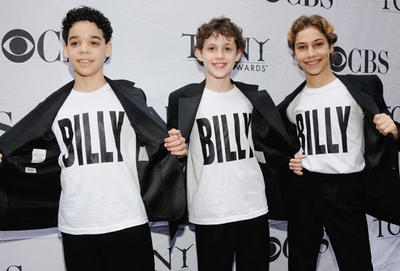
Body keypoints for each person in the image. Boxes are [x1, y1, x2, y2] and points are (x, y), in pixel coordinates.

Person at [0, 6, 186, 271]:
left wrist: (177, 146)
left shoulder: (130, 100)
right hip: (76, 227)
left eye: (94, 42)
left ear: (107, 49)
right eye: (75, 42)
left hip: (128, 221)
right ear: (65, 49)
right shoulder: (53, 107)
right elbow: (21, 149)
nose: (84, 49)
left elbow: (160, 143)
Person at [166, 16, 299, 271]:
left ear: (238, 54)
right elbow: (175, 154)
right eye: (212, 48)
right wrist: (177, 151)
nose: (220, 56)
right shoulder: (182, 99)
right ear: (199, 53)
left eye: (227, 48)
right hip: (209, 209)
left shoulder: (253, 98)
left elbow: (277, 145)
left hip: (253, 207)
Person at [278, 14, 400, 271]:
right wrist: (291, 160)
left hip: (346, 190)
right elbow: (279, 146)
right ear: (294, 54)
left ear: (331, 47)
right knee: (300, 264)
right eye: (302, 47)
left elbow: (389, 135)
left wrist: (394, 129)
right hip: (305, 190)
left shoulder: (362, 88)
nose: (311, 53)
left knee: (356, 264)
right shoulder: (291, 104)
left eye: (318, 44)